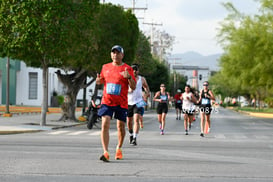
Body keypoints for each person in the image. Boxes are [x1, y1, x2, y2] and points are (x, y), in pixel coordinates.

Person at [96, 45, 136, 162]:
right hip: (107, 101)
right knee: (105, 123)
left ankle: (119, 147)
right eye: (113, 53)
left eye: (118, 53)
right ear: (111, 54)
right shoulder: (105, 67)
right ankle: (105, 152)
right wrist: (99, 81)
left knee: (121, 127)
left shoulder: (127, 69)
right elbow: (101, 80)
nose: (115, 55)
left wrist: (129, 77)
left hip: (121, 103)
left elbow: (133, 87)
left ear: (122, 55)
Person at [127, 64, 150, 146]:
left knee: (136, 119)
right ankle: (130, 134)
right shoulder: (127, 79)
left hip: (138, 102)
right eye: (133, 70)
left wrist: (147, 94)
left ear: (138, 71)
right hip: (128, 102)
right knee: (129, 121)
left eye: (136, 70)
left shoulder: (142, 79)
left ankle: (134, 138)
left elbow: (146, 87)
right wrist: (127, 91)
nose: (134, 71)